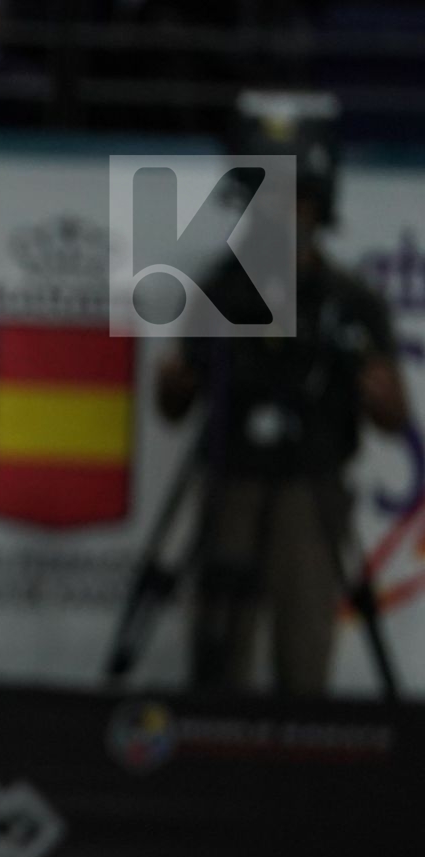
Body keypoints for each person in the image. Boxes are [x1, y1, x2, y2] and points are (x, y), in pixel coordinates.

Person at [156, 191, 410, 696]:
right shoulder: (222, 290)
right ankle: (215, 758)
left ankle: (302, 759)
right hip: (232, 478)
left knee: (304, 640)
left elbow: (394, 414)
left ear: (319, 213)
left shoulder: (348, 298)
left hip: (311, 485)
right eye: (270, 206)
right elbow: (173, 402)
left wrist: (379, 391)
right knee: (220, 645)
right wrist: (177, 382)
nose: (286, 219)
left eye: (298, 203)